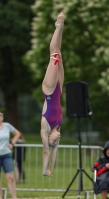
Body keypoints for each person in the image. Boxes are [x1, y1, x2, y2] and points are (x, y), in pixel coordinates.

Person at [40, 12, 65, 177]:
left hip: (49, 90)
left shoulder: (46, 126)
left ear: (48, 137)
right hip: (59, 89)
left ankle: (58, 27)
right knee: (59, 55)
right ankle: (61, 29)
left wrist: (44, 170)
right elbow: (54, 152)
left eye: (54, 141)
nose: (57, 139)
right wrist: (52, 170)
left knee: (54, 56)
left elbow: (47, 153)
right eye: (57, 141)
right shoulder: (58, 126)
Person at [0, 111, 20, 199]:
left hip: (6, 154)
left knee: (10, 177)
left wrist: (12, 143)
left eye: (0, 115)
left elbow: (17, 134)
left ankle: (14, 197)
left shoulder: (7, 126)